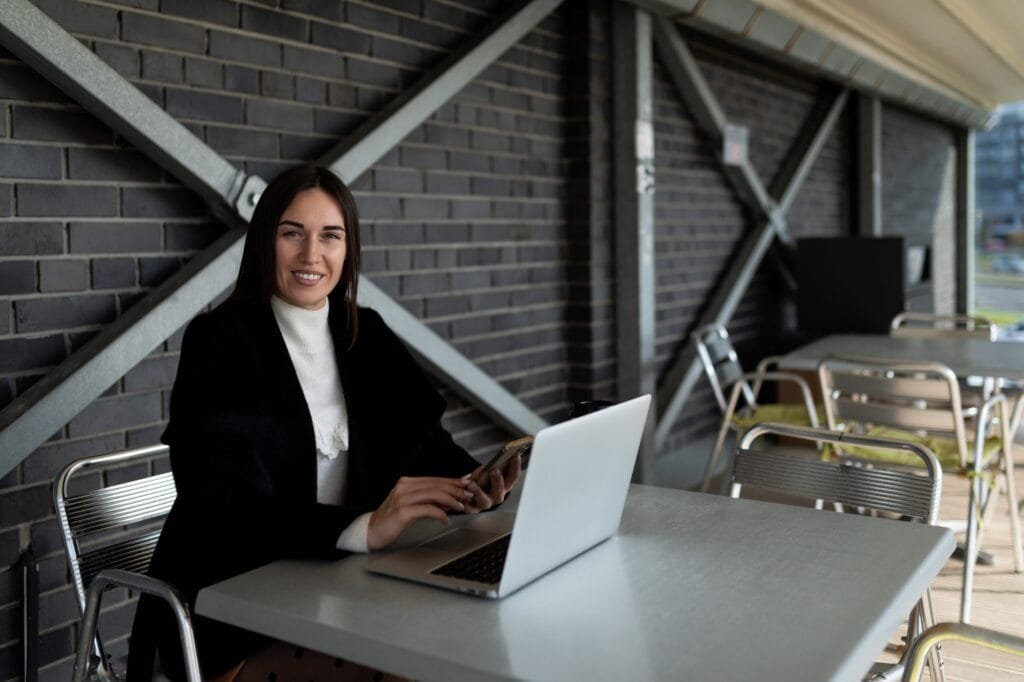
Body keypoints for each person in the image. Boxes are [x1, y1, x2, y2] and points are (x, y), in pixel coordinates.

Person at [128, 164, 521, 681]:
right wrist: (364, 528)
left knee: (479, 644)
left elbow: (425, 445)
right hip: (231, 619)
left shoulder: (366, 332)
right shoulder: (222, 342)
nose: (312, 255)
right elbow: (220, 506)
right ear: (266, 242)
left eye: (330, 236)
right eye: (293, 233)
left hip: (340, 592)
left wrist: (476, 483)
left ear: (348, 249)